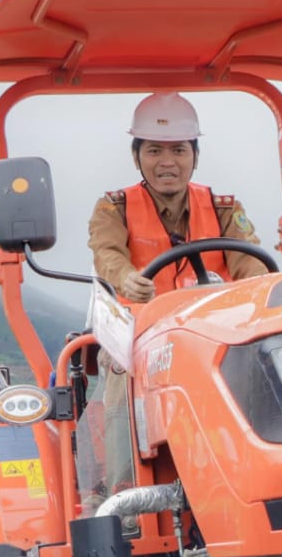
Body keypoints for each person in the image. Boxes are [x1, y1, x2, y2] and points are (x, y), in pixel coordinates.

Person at [87, 92, 269, 499]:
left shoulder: (223, 208)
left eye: (178, 150)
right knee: (116, 365)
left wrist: (258, 290)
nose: (167, 161)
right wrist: (128, 278)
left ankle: (262, 466)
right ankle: (125, 484)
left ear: (195, 156)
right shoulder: (113, 208)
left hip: (212, 331)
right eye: (154, 150)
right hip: (142, 334)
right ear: (137, 157)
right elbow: (108, 254)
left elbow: (249, 264)